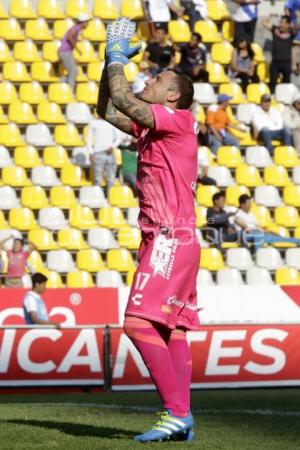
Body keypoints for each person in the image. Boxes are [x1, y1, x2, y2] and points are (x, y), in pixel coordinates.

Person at [97, 17, 200, 442]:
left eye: (157, 78)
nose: (150, 79)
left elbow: (123, 96)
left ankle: (175, 412)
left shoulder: (175, 119)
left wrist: (118, 56)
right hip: (173, 238)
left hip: (169, 236)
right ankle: (183, 416)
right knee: (168, 328)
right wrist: (109, 65)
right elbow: (107, 107)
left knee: (138, 324)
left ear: (172, 96)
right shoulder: (155, 128)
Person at [234, 194, 300, 250]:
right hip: (246, 234)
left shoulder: (251, 215)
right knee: (259, 236)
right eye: (248, 203)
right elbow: (240, 223)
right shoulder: (238, 214)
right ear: (242, 204)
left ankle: (297, 241)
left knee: (276, 238)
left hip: (257, 232)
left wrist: (271, 232)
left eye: (250, 203)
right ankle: (258, 255)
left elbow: (258, 227)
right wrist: (247, 227)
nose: (250, 205)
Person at [86, 109, 122, 193]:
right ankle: (97, 198)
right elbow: (88, 139)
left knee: (111, 178)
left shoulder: (112, 123)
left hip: (109, 153)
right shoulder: (93, 123)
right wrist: (91, 152)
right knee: (97, 178)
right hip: (98, 153)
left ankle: (110, 197)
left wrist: (112, 147)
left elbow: (119, 138)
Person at [58, 13, 90, 91]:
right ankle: (70, 91)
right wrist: (77, 49)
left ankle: (59, 82)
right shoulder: (76, 28)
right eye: (87, 22)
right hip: (65, 52)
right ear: (83, 22)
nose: (88, 24)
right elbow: (70, 37)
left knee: (75, 71)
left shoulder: (77, 28)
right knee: (73, 71)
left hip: (67, 52)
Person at [263, 15, 294, 93]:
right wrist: (270, 15)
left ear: (288, 24)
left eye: (283, 22)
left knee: (286, 84)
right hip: (275, 62)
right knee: (272, 82)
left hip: (286, 63)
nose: (280, 24)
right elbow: (264, 23)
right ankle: (272, 97)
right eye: (280, 22)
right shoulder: (275, 30)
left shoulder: (292, 34)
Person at [284, 0, 300, 70]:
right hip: (296, 25)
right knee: (296, 45)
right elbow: (286, 8)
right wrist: (289, 21)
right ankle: (294, 66)